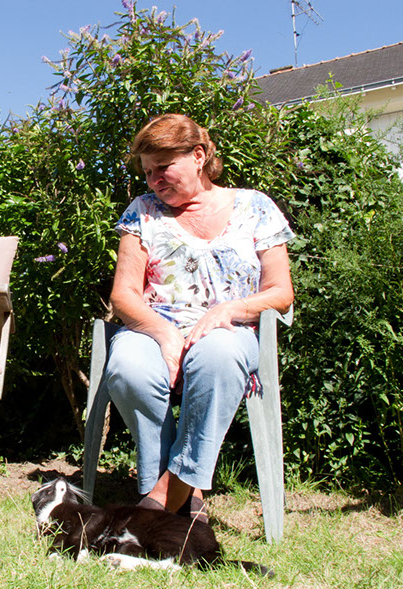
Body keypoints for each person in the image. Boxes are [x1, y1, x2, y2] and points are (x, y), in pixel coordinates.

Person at [105, 114, 294, 522]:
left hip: (229, 330)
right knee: (127, 368)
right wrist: (165, 334)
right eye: (148, 172)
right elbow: (123, 295)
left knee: (218, 357)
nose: (154, 180)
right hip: (153, 328)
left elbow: (281, 292)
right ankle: (181, 491)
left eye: (163, 167)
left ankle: (164, 496)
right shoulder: (142, 212)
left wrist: (230, 309)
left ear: (198, 155)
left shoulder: (255, 207)